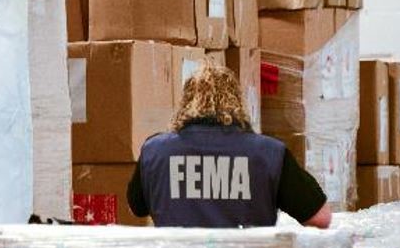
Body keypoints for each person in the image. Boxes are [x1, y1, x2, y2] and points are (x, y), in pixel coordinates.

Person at [127, 62, 332, 229]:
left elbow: (136, 207)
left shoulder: (154, 151)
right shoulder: (270, 153)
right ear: (236, 102)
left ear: (186, 103)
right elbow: (321, 218)